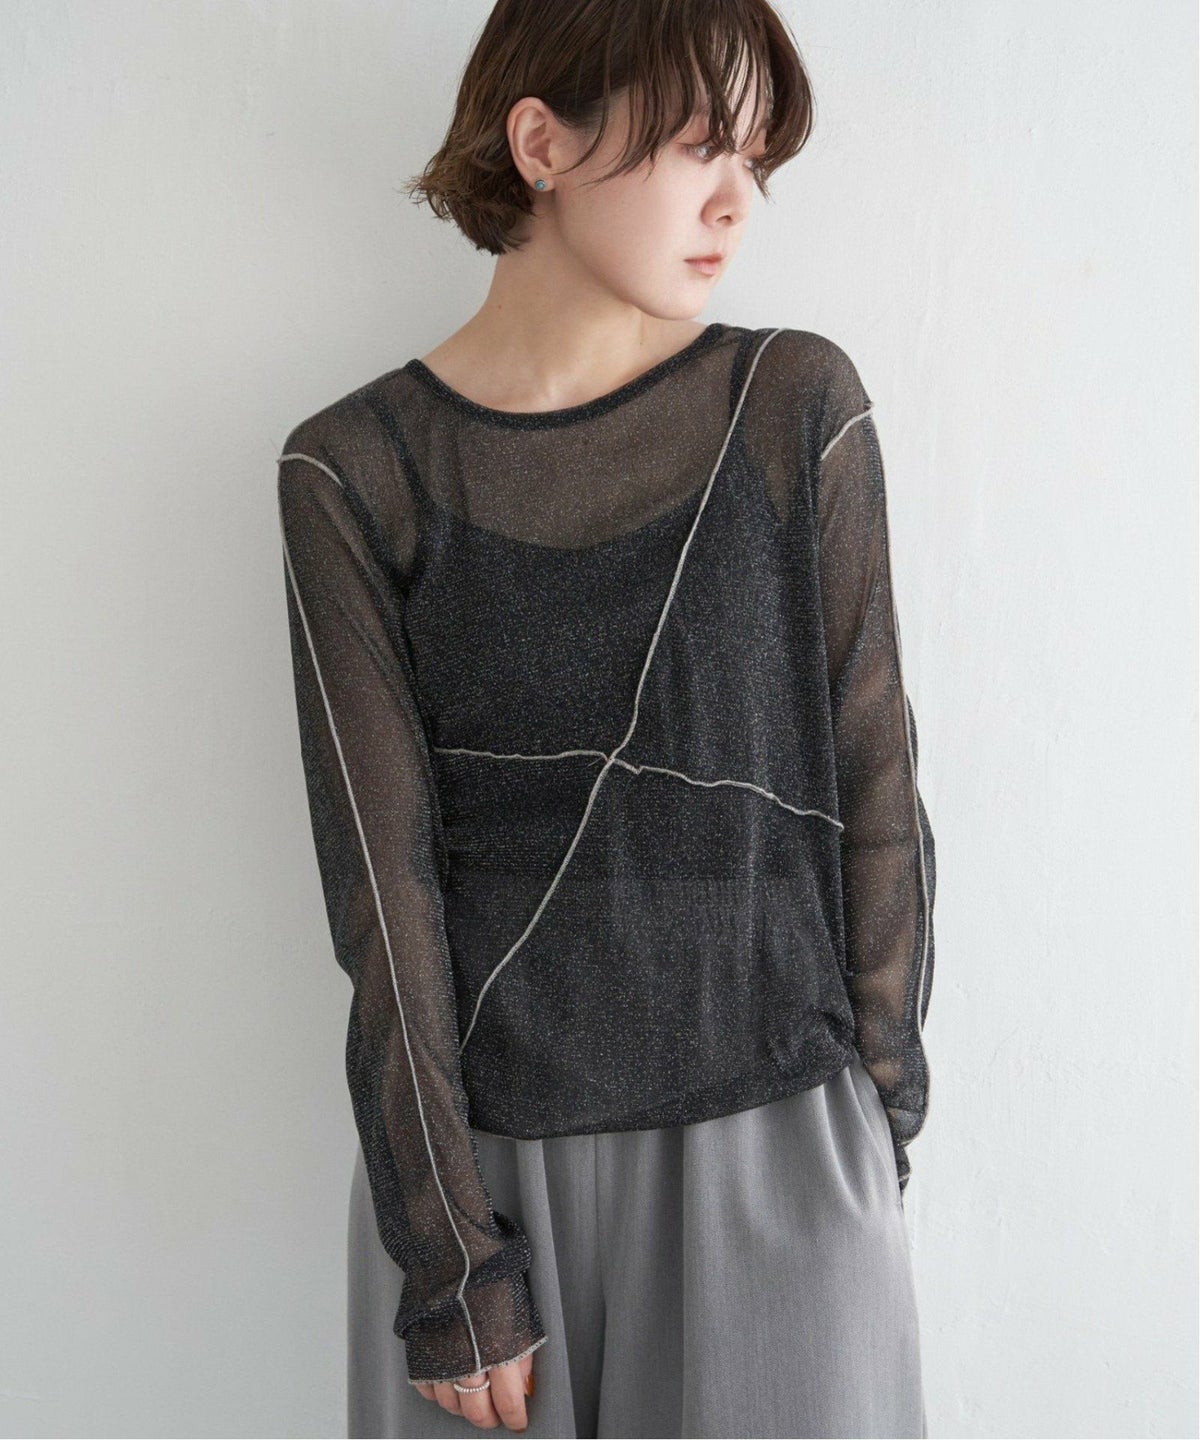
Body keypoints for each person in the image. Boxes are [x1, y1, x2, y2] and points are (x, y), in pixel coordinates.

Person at [275, 2, 936, 1436]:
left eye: (757, 161)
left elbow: (877, 787)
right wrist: (450, 1262)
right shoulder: (357, 473)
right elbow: (380, 889)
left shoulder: (793, 405)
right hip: (489, 1200)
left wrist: (871, 1120)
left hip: (780, 1151)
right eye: (702, 146)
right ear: (541, 141)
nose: (736, 202)